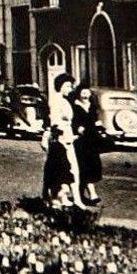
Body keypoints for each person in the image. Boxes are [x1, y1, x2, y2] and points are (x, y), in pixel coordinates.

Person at [41, 70, 85, 209]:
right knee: (63, 169)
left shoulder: (65, 100)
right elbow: (54, 121)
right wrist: (60, 137)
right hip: (60, 139)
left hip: (68, 136)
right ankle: (58, 197)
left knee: (70, 169)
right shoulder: (56, 101)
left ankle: (71, 198)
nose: (70, 89)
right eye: (68, 86)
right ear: (61, 86)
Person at [70, 85, 105, 206]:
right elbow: (72, 121)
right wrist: (77, 128)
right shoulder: (74, 106)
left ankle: (82, 194)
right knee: (83, 167)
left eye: (87, 93)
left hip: (92, 140)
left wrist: (100, 127)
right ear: (78, 94)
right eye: (83, 93)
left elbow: (96, 120)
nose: (85, 95)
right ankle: (92, 193)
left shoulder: (92, 106)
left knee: (92, 165)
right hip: (81, 140)